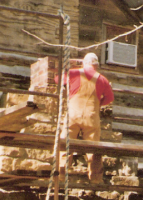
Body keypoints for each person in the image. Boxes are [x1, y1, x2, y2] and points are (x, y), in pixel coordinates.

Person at [55, 52, 114, 184]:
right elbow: (110, 98)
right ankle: (96, 180)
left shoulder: (74, 73)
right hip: (91, 117)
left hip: (73, 116)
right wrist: (98, 103)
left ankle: (61, 175)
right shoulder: (102, 79)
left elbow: (58, 79)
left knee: (65, 145)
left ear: (83, 63)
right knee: (93, 149)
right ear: (96, 65)